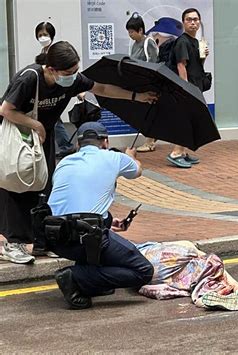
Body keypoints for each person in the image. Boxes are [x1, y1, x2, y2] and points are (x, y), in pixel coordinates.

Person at [0, 41, 157, 264]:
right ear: (51, 69)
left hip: (41, 139)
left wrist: (137, 97)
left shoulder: (70, 81)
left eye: (75, 71)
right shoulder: (30, 78)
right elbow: (6, 110)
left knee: (43, 188)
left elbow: (101, 88)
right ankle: (12, 243)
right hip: (17, 139)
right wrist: (37, 125)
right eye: (68, 72)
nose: (73, 76)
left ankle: (41, 242)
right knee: (15, 185)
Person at [42, 122, 154, 310]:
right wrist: (130, 156)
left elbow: (77, 201)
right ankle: (74, 276)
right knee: (143, 271)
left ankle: (90, 282)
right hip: (87, 238)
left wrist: (109, 221)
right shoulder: (114, 157)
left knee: (96, 242)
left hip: (55, 237)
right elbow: (137, 170)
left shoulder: (63, 163)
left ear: (78, 144)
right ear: (105, 142)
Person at [136, 240, 238, 311]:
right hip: (152, 259)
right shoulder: (145, 249)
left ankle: (208, 298)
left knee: (198, 277)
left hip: (151, 274)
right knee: (202, 258)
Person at [166, 8, 208, 169]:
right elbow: (181, 65)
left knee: (190, 120)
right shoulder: (183, 41)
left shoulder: (195, 42)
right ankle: (175, 153)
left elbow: (196, 66)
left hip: (194, 86)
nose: (193, 22)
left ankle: (182, 152)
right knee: (186, 121)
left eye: (196, 19)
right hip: (186, 88)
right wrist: (185, 88)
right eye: (189, 19)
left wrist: (204, 57)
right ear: (183, 22)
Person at [34, 22, 76, 159]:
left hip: (55, 91)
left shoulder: (56, 51)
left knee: (55, 121)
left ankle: (65, 146)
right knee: (55, 121)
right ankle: (64, 146)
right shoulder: (43, 52)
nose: (42, 37)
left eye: (45, 34)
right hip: (45, 91)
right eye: (40, 35)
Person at [126, 12, 160, 153]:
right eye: (128, 32)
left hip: (149, 84)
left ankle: (150, 141)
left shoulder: (148, 42)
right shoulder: (134, 45)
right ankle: (151, 138)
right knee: (143, 112)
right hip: (138, 84)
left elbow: (154, 63)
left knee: (149, 112)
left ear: (140, 30)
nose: (130, 34)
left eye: (132, 31)